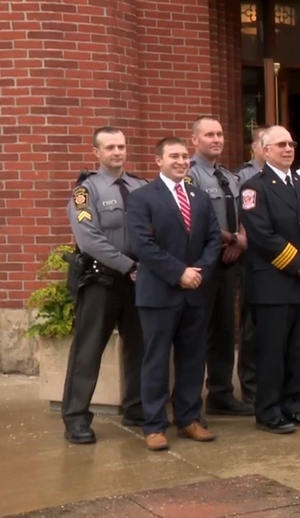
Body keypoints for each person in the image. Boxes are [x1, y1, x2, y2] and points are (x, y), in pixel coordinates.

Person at [125, 137, 223, 451]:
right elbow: (143, 245)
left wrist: (200, 272)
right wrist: (179, 272)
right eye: (174, 156)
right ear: (159, 161)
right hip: (159, 292)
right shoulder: (142, 198)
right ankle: (154, 425)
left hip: (196, 291)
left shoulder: (200, 197)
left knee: (193, 358)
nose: (181, 161)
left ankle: (189, 419)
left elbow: (213, 239)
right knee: (156, 360)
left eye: (184, 156)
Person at [240, 125, 300, 434]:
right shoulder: (254, 188)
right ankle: (268, 411)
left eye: (291, 144)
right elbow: (262, 236)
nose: (288, 149)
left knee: (298, 350)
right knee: (272, 352)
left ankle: (291, 405)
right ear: (264, 151)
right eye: (280, 145)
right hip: (273, 284)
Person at [62, 127, 147, 444]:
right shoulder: (85, 191)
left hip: (139, 282)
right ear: (96, 152)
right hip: (102, 281)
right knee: (88, 351)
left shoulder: (139, 186)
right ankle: (76, 418)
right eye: (110, 147)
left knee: (140, 348)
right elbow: (89, 239)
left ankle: (137, 409)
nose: (117, 152)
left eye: (122, 146)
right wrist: (128, 266)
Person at [186, 116, 253, 417]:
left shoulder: (229, 176)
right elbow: (195, 219)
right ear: (195, 140)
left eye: (220, 134)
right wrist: (230, 240)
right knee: (196, 332)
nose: (216, 139)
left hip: (229, 264)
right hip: (203, 265)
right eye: (209, 134)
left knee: (226, 331)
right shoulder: (191, 175)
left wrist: (240, 239)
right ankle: (187, 398)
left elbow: (241, 215)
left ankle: (221, 394)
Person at [233, 126, 266, 404]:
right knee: (251, 327)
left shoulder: (290, 179)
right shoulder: (242, 176)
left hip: (281, 264)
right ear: (255, 147)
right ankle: (251, 387)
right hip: (251, 259)